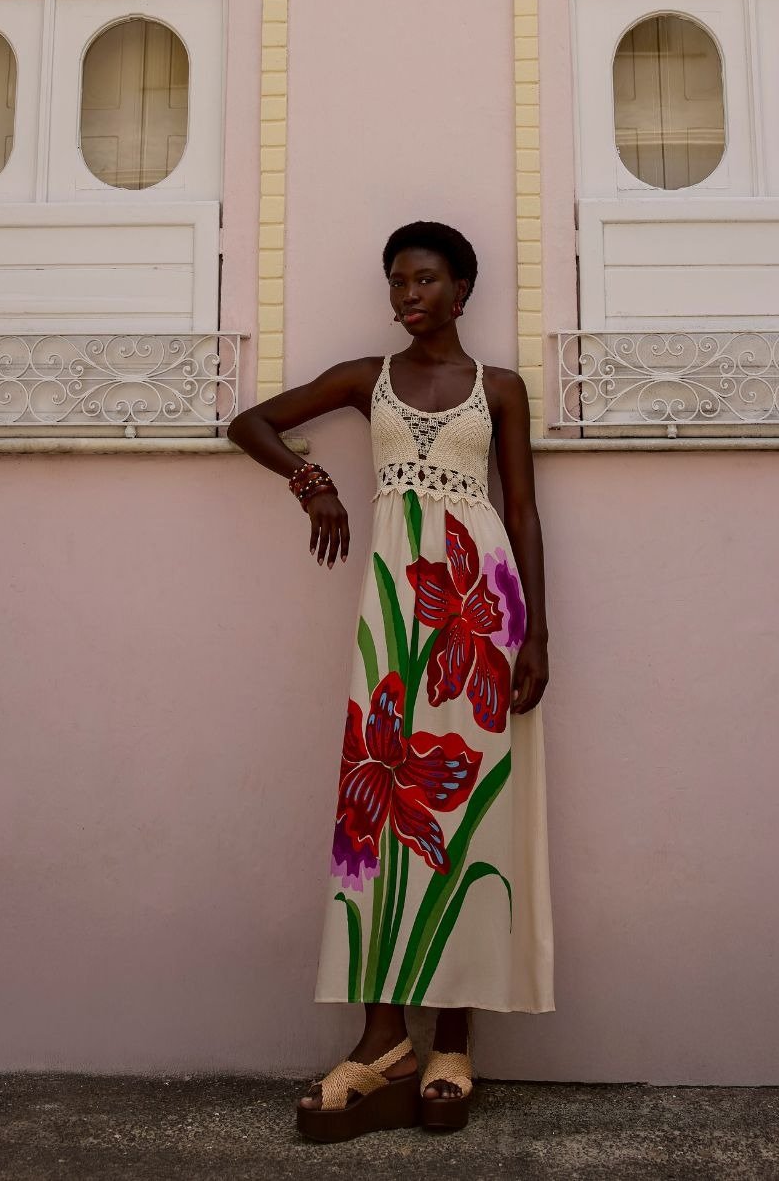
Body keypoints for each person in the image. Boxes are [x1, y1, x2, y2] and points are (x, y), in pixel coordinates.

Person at [228, 221, 554, 1142]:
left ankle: (453, 1043)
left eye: (424, 280)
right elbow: (249, 422)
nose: (407, 296)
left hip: (479, 618)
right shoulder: (364, 379)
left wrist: (537, 634)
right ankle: (382, 1041)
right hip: (393, 619)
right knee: (379, 814)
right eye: (396, 283)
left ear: (462, 289)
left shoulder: (500, 390)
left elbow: (522, 512)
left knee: (468, 819)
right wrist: (311, 482)